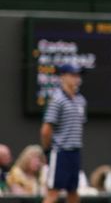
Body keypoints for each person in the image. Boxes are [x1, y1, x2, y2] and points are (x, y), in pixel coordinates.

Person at [41, 64, 87, 203]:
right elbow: (46, 130)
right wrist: (48, 150)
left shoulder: (81, 100)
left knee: (73, 192)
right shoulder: (57, 100)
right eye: (73, 75)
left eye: (78, 75)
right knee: (53, 192)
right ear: (63, 77)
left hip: (75, 153)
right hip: (60, 152)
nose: (76, 79)